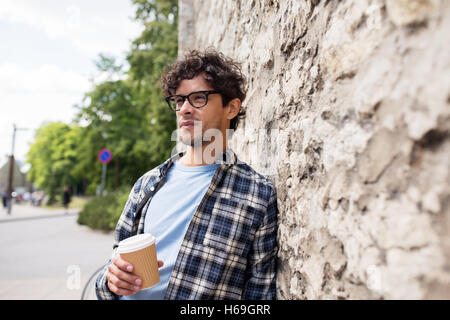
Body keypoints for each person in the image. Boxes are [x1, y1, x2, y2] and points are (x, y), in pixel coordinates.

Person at [95, 49, 278, 300]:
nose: (184, 109)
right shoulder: (146, 185)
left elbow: (259, 296)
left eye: (199, 98)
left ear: (231, 108)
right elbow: (109, 273)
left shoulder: (258, 195)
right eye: (179, 100)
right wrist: (111, 279)